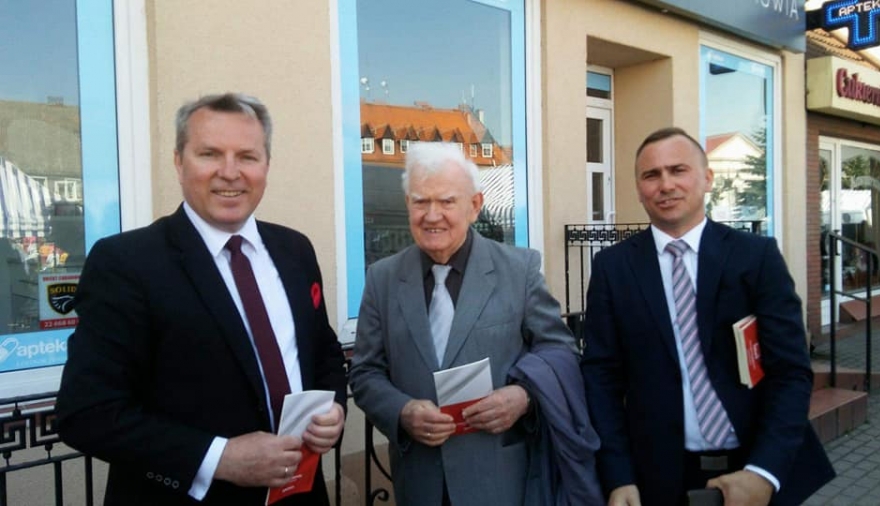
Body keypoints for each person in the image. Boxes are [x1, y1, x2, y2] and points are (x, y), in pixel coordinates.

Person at [57, 93, 347, 506]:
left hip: (299, 494)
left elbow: (324, 354)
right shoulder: (126, 262)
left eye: (247, 156)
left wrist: (334, 410)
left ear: (266, 165)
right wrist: (218, 459)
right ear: (179, 162)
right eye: (210, 154)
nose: (230, 172)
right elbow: (86, 412)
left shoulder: (295, 250)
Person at [581, 127, 835, 506]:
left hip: (752, 470)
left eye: (678, 170)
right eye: (651, 175)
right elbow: (601, 378)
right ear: (638, 189)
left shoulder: (756, 257)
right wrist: (618, 475)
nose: (665, 185)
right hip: (657, 478)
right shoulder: (613, 268)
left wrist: (764, 472)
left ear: (707, 178)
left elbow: (791, 372)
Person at [349, 142, 582, 506]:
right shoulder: (383, 278)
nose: (432, 215)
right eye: (420, 201)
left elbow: (560, 351)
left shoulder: (518, 271)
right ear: (408, 204)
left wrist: (523, 397)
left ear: (475, 205)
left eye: (446, 201)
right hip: (420, 482)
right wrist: (402, 412)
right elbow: (365, 373)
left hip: (500, 480)